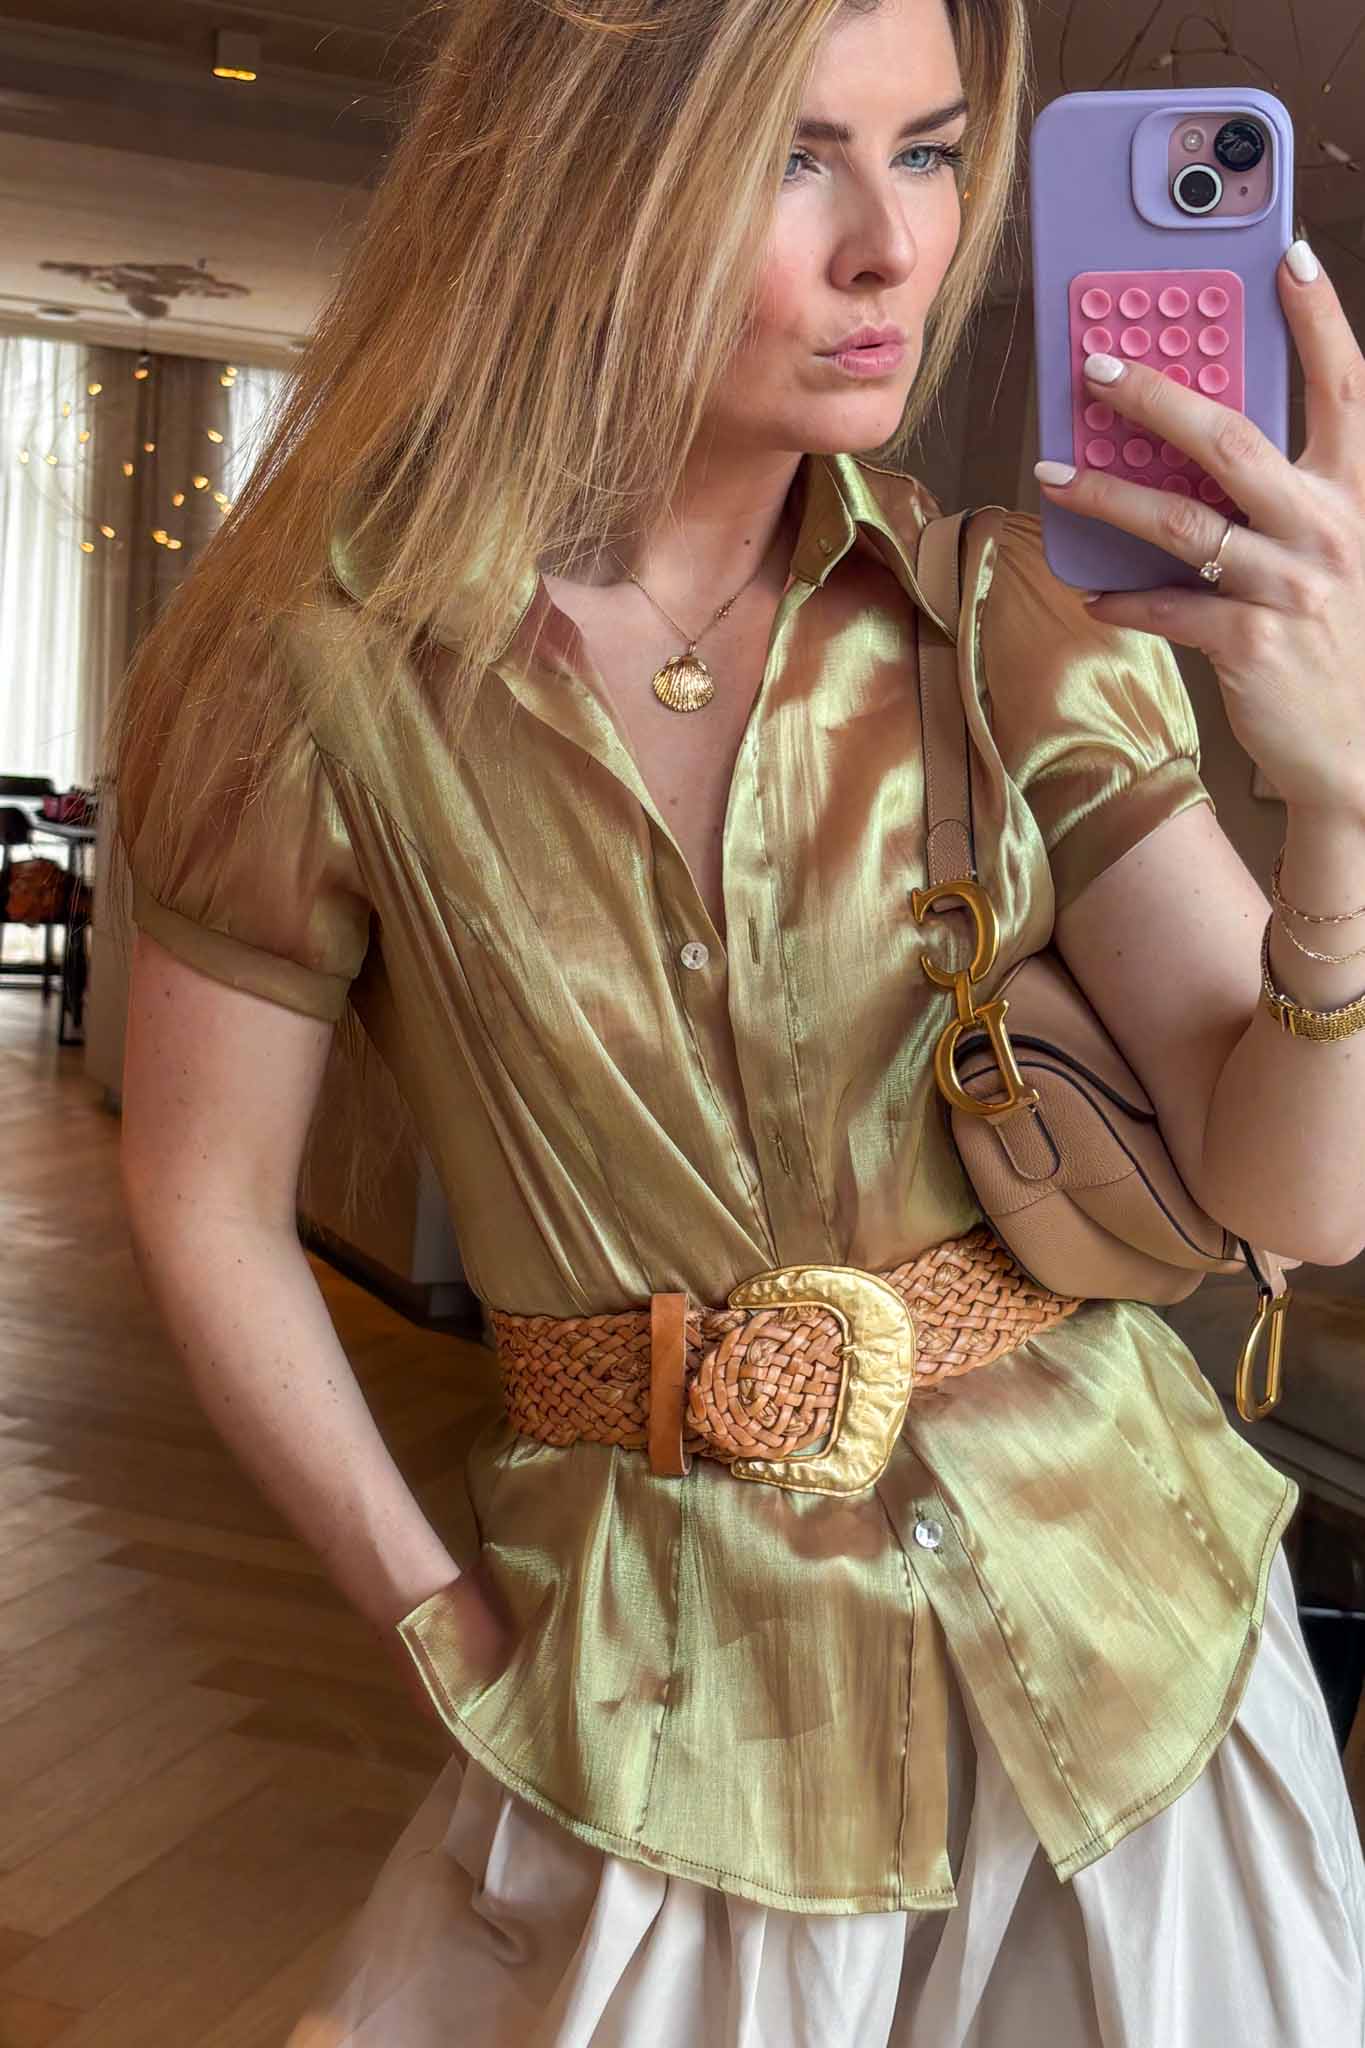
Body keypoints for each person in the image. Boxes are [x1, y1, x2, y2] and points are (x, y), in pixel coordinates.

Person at [108, 0, 1365, 2039]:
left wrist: (1340, 804)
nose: (894, 247)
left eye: (929, 150)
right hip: (659, 1707)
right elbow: (205, 1197)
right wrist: (432, 1616)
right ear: (574, 182)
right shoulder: (316, 678)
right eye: (792, 157)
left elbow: (1300, 1202)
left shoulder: (1008, 620)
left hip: (1131, 1684)